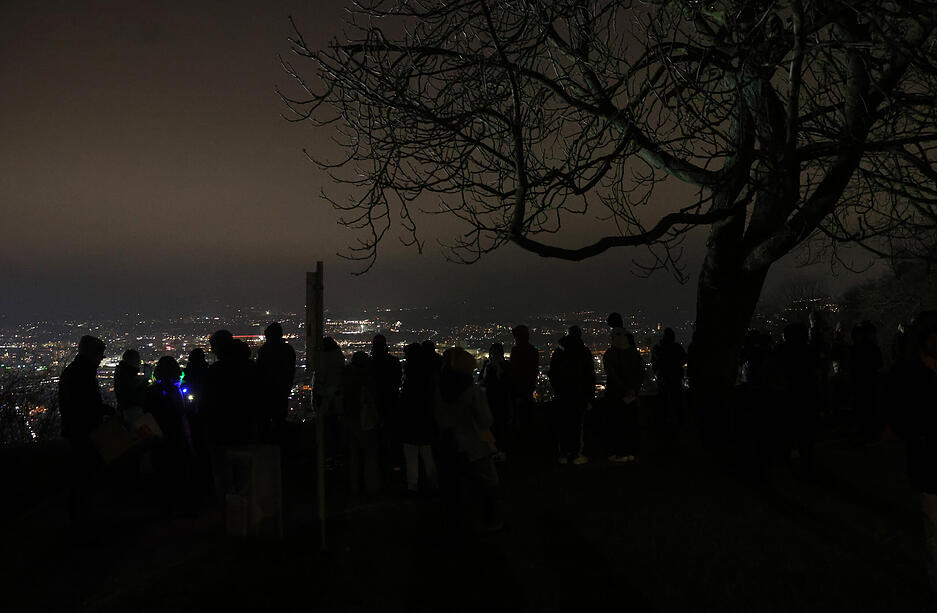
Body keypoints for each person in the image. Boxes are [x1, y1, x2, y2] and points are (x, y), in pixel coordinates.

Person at [890, 310, 937, 595]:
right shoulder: (907, 375)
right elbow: (898, 414)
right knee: (934, 526)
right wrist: (918, 436)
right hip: (929, 460)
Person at [434, 348, 501, 534]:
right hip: (475, 445)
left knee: (457, 486)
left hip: (450, 445)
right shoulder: (472, 391)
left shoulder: (440, 390)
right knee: (487, 482)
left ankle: (458, 524)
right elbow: (485, 420)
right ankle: (490, 521)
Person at [58, 335, 114, 529]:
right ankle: (85, 524)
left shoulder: (73, 372)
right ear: (92, 353)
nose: (102, 358)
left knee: (81, 480)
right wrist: (105, 412)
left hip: (75, 431)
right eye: (100, 353)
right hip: (84, 433)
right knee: (86, 479)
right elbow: (88, 406)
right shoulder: (83, 374)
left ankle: (81, 521)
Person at [143, 356, 194, 514]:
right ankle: (182, 505)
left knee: (162, 470)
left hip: (158, 435)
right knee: (179, 470)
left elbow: (147, 412)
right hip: (176, 434)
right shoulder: (177, 391)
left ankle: (163, 506)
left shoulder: (151, 391)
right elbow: (182, 413)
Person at [548, 326, 595, 465]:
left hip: (562, 396)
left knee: (563, 425)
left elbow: (553, 374)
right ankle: (576, 455)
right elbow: (589, 376)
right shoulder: (584, 352)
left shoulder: (558, 352)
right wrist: (588, 396)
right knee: (577, 426)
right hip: (579, 395)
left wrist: (557, 390)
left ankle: (563, 454)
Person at [399, 343, 438, 493]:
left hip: (411, 421)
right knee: (427, 453)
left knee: (411, 455)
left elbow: (404, 401)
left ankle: (412, 486)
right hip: (425, 419)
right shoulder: (428, 377)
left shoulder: (409, 378)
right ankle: (432, 483)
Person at [603, 328, 645, 462]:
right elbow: (640, 373)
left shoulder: (610, 354)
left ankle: (618, 452)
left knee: (617, 425)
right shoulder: (634, 353)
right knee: (630, 424)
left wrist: (624, 389)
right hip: (631, 395)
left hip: (616, 396)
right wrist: (634, 389)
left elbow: (612, 375)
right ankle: (631, 451)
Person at [343, 351, 381, 496]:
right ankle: (372, 487)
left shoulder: (346, 375)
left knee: (354, 455)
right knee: (370, 454)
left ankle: (354, 487)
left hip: (349, 418)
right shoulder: (367, 378)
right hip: (365, 420)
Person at [257, 322, 297, 442]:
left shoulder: (265, 350)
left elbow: (260, 370)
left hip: (267, 391)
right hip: (282, 389)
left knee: (266, 420)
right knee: (280, 419)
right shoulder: (288, 349)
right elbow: (290, 371)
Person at [371, 334, 402, 471]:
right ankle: (394, 463)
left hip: (374, 403)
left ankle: (379, 464)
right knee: (392, 434)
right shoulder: (394, 362)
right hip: (391, 401)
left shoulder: (370, 363)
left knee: (376, 435)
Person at [849, 321, 884, 442]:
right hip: (869, 380)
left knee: (863, 406)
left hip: (860, 381)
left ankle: (865, 431)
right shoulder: (872, 348)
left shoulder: (855, 349)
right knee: (870, 406)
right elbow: (879, 363)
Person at [480, 342, 512, 461]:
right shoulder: (487, 366)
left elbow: (507, 384)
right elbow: (482, 381)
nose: (494, 356)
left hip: (500, 401)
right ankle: (494, 450)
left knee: (500, 426)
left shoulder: (505, 366)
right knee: (492, 427)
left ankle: (501, 451)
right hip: (490, 400)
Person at [651, 328, 687, 432]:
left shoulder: (657, 348)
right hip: (675, 380)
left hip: (663, 380)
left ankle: (662, 426)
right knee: (676, 404)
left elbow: (654, 363)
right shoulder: (676, 348)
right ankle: (677, 425)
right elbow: (684, 359)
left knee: (663, 404)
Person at [509, 324, 539, 437]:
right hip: (528, 389)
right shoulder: (533, 351)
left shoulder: (516, 351)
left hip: (518, 390)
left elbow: (513, 370)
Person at [114, 349, 147, 423]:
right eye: (137, 360)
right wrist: (145, 380)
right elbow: (134, 395)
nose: (139, 363)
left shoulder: (122, 372)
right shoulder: (126, 375)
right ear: (133, 361)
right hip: (131, 413)